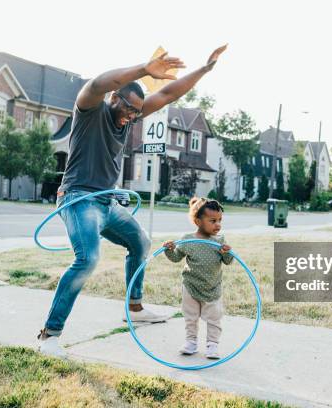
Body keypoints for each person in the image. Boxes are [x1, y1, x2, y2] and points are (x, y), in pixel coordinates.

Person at [37, 45, 227, 358]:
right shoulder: (89, 111)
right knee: (87, 260)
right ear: (115, 98)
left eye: (137, 112)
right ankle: (49, 335)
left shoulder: (129, 117)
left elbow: (166, 95)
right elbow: (98, 83)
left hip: (108, 202)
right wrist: (143, 69)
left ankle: (134, 306)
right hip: (78, 198)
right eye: (128, 109)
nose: (132, 116)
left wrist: (204, 69)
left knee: (140, 242)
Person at [162, 197, 233, 359]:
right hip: (190, 286)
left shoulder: (219, 241)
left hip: (212, 287)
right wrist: (168, 249)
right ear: (198, 221)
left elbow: (228, 262)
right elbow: (175, 258)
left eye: (220, 220)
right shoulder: (188, 239)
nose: (218, 224)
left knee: (214, 318)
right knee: (190, 317)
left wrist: (227, 253)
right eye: (213, 220)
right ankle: (191, 342)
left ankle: (212, 345)